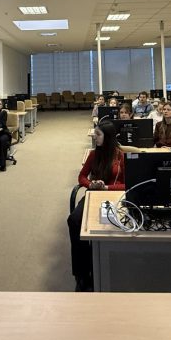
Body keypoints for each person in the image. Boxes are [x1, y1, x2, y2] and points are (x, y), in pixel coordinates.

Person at [67, 121, 125, 291]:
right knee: (74, 221)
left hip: (113, 196)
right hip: (93, 194)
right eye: (95, 133)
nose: (95, 136)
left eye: (98, 134)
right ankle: (82, 273)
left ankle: (108, 266)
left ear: (108, 137)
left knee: (108, 226)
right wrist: (91, 184)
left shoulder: (120, 156)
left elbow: (127, 183)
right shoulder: (94, 154)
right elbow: (81, 177)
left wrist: (107, 187)